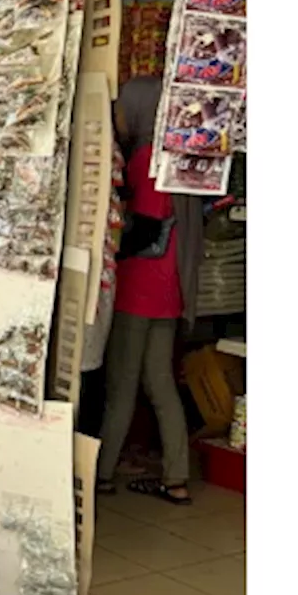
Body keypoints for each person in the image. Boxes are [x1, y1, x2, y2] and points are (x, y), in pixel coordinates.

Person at [95, 76, 204, 505]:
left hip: (137, 289)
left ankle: (101, 474)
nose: (117, 117)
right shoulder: (181, 164)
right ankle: (176, 476)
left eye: (123, 107)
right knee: (160, 382)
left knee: (121, 383)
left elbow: (138, 227)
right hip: (170, 290)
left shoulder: (145, 160)